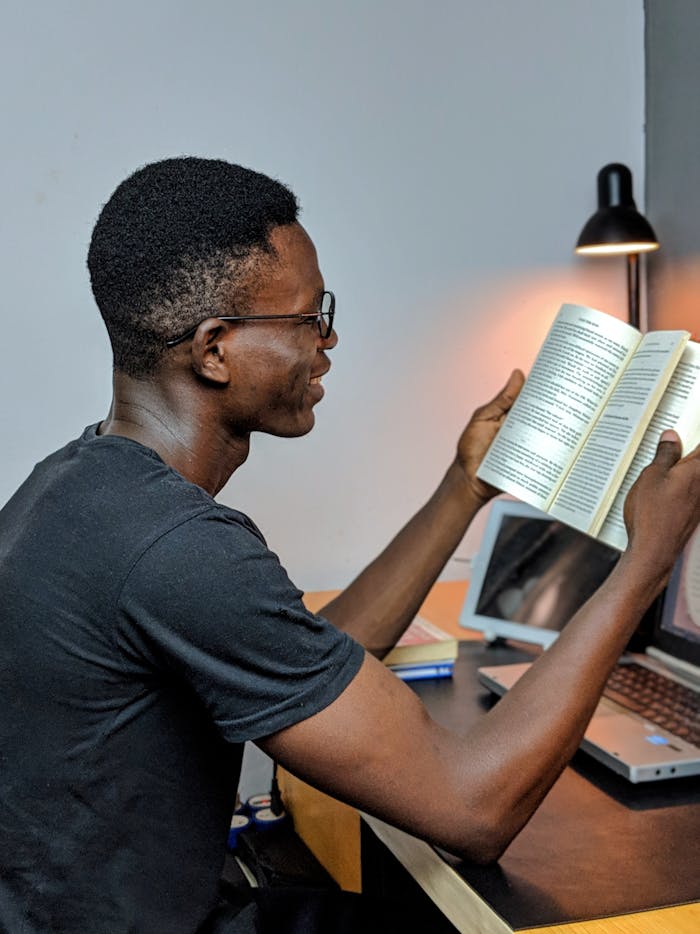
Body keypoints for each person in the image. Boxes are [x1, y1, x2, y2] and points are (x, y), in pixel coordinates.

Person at [0, 157, 698, 934]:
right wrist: (647, 559)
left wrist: (462, 488)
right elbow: (476, 807)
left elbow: (306, 660)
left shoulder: (76, 487)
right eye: (308, 318)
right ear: (214, 350)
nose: (329, 339)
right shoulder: (178, 549)